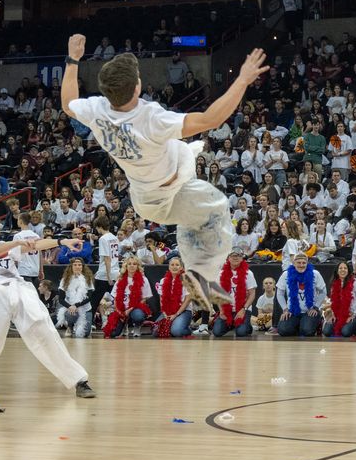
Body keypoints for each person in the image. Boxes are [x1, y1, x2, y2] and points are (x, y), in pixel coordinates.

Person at [62, 34, 269, 306]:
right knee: (217, 207)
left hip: (143, 193)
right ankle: (199, 275)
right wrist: (242, 79)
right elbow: (212, 118)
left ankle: (200, 274)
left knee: (186, 151)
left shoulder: (96, 109)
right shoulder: (151, 118)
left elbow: (67, 103)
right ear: (137, 87)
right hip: (168, 193)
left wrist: (73, 59)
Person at [0, 213, 95, 398]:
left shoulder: (6, 245)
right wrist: (15, 243)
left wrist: (63, 242)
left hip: (19, 289)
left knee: (45, 333)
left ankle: (79, 380)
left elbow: (36, 244)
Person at [276, 252, 327, 337]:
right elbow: (279, 293)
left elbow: (323, 292)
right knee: (283, 331)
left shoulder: (315, 274)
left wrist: (316, 307)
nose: (301, 265)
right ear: (294, 263)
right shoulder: (286, 274)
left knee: (307, 331)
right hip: (292, 311)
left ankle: (311, 323)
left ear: (307, 263)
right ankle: (298, 325)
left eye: (304, 263)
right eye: (298, 263)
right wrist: (285, 309)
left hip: (309, 311)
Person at [103, 255, 153, 338]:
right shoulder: (120, 279)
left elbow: (144, 299)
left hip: (135, 307)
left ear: (138, 266)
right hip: (121, 308)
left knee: (138, 316)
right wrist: (119, 311)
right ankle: (124, 325)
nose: (132, 266)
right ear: (125, 266)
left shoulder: (144, 279)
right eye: (129, 264)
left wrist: (129, 310)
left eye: (134, 264)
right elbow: (115, 298)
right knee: (113, 334)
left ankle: (137, 326)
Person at [212, 248, 256, 338]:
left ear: (242, 258)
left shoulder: (248, 273)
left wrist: (244, 309)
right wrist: (221, 310)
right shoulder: (220, 274)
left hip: (242, 309)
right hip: (227, 309)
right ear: (228, 258)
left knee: (241, 333)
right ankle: (232, 324)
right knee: (217, 332)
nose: (236, 258)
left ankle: (246, 326)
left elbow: (252, 294)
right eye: (233, 255)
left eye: (239, 255)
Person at [153, 257, 195, 338]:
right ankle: (174, 326)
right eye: (172, 265)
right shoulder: (163, 280)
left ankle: (187, 330)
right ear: (169, 267)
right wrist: (164, 313)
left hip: (183, 311)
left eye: (177, 265)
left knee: (177, 331)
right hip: (168, 311)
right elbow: (161, 299)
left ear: (182, 267)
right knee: (156, 331)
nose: (174, 267)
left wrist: (176, 314)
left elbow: (188, 299)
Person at [56, 257, 94, 338]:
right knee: (70, 314)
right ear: (71, 267)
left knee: (86, 333)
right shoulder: (65, 280)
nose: (77, 267)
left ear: (82, 266)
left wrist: (76, 305)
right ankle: (70, 326)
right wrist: (70, 306)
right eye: (75, 265)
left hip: (85, 309)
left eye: (80, 265)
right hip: (70, 308)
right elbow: (61, 299)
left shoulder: (88, 279)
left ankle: (82, 326)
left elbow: (89, 297)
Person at [323, 261, 356, 338]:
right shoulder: (334, 283)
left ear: (348, 270)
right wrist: (333, 314)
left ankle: (355, 328)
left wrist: (354, 314)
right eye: (340, 268)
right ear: (337, 271)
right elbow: (334, 301)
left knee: (345, 332)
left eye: (345, 268)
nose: (343, 270)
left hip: (355, 314)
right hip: (339, 314)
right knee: (326, 332)